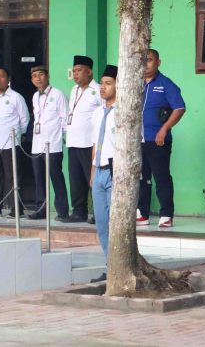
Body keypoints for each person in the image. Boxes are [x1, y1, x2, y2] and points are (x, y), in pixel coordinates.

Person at [136, 49, 185, 228]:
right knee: (142, 178)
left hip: (158, 140)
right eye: (142, 60)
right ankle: (143, 213)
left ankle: (166, 214)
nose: (145, 64)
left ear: (158, 62)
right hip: (138, 140)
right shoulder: (136, 84)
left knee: (161, 176)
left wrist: (164, 129)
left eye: (149, 60)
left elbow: (179, 108)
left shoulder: (166, 84)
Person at [26, 65, 70, 221]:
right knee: (39, 178)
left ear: (47, 76)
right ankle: (41, 209)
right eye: (34, 76)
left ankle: (62, 210)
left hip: (53, 143)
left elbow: (65, 120)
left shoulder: (58, 95)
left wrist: (65, 140)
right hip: (37, 144)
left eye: (41, 75)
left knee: (56, 177)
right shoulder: (35, 96)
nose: (38, 78)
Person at [0, 66, 29, 217]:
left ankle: (16, 207)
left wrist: (18, 136)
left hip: (10, 143)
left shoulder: (16, 97)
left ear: (8, 79)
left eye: (2, 76)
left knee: (12, 176)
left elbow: (24, 120)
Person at [65, 55, 103, 223]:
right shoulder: (74, 90)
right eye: (74, 71)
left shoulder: (98, 90)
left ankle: (98, 211)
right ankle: (79, 211)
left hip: (90, 142)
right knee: (76, 179)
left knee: (92, 179)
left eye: (79, 71)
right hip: (73, 141)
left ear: (89, 71)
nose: (75, 74)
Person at [91, 64, 117, 279]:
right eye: (102, 83)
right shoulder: (98, 112)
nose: (103, 88)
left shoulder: (125, 113)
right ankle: (110, 265)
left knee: (115, 222)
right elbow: (94, 143)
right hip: (99, 170)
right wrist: (92, 172)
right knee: (101, 223)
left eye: (108, 84)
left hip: (115, 171)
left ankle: (118, 268)